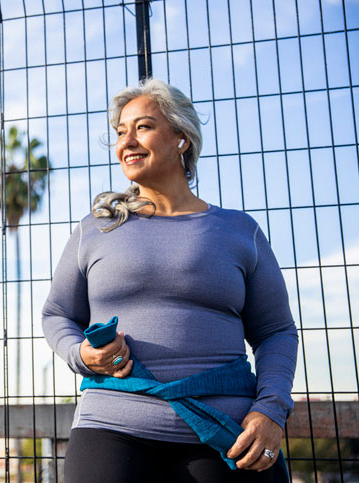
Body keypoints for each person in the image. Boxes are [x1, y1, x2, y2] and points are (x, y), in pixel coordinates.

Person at [41, 78, 298, 482]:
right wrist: (81, 356)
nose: (126, 141)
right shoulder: (96, 229)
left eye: (142, 127)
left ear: (181, 137)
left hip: (226, 434)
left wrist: (270, 409)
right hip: (111, 425)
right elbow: (57, 314)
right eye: (120, 132)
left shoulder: (238, 230)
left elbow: (277, 331)